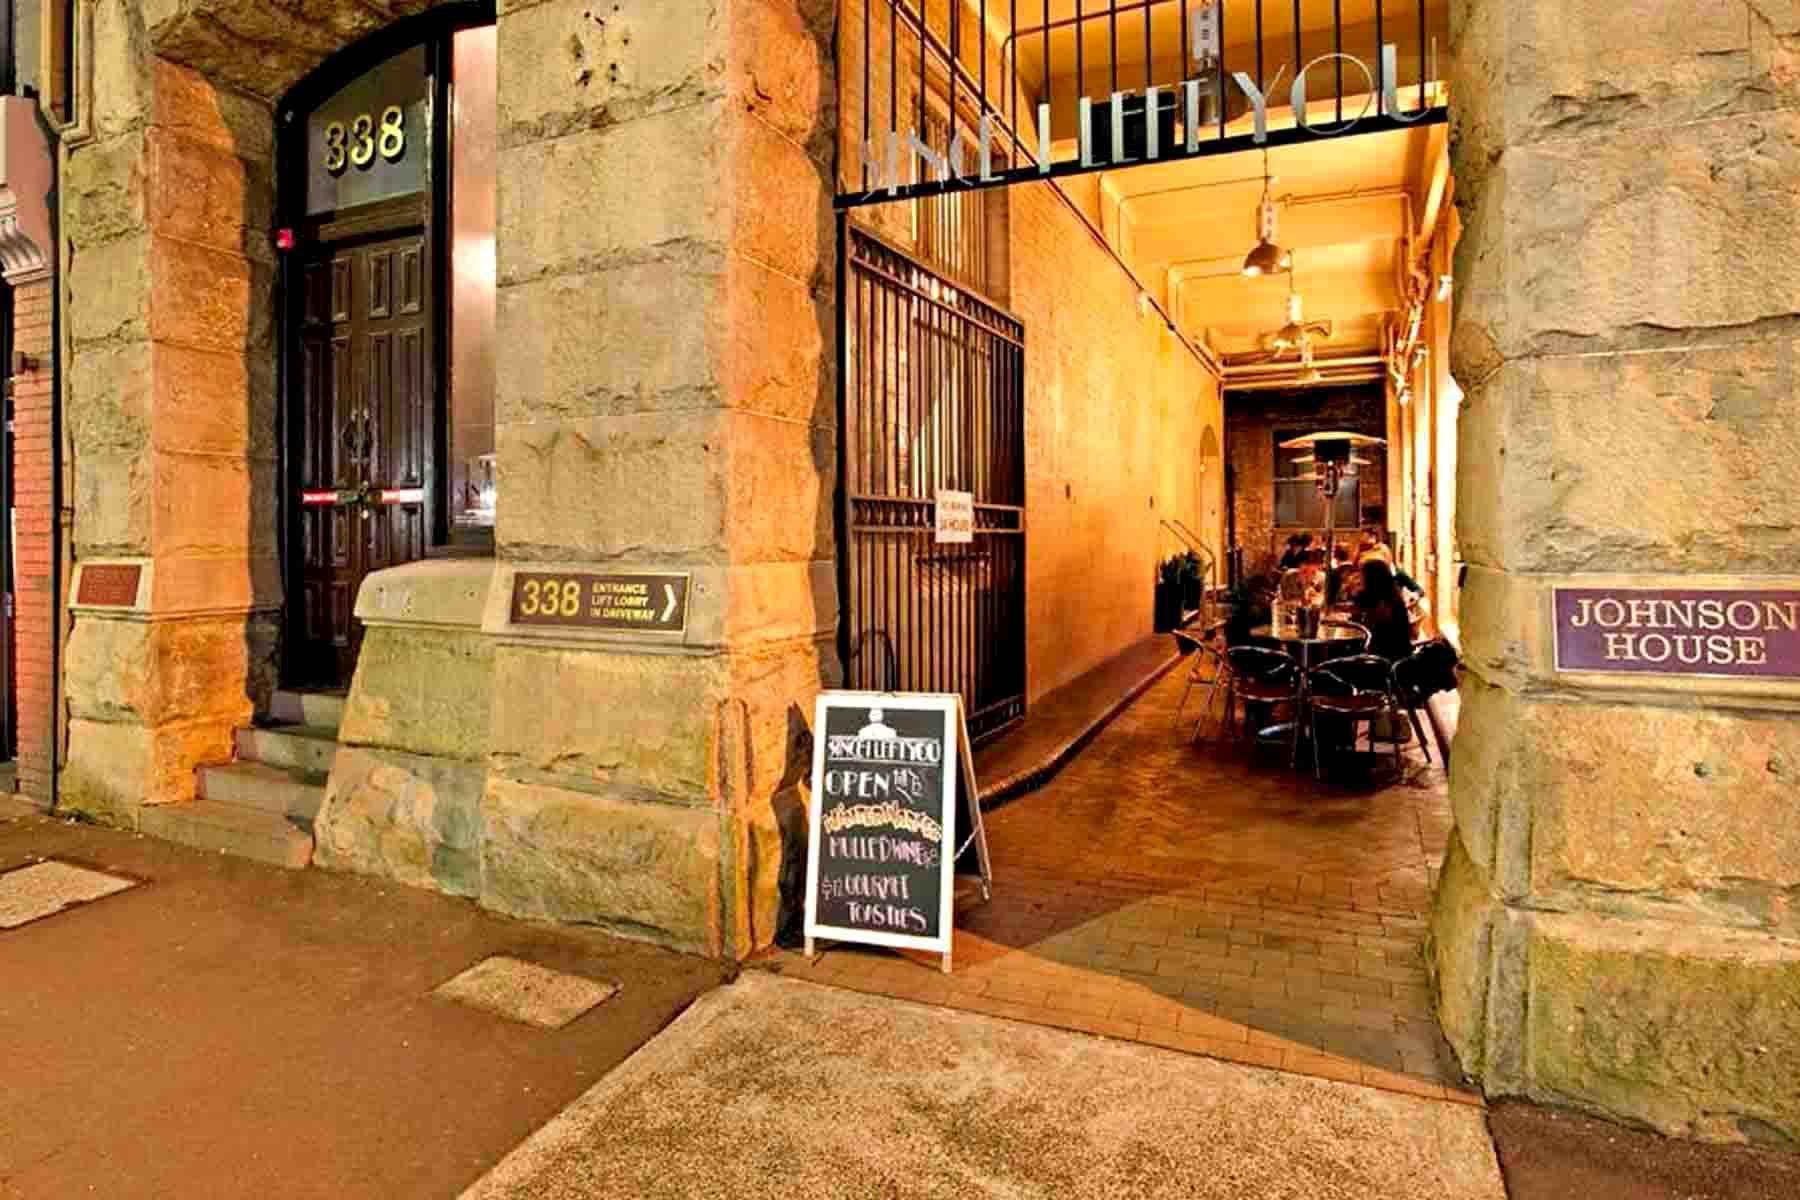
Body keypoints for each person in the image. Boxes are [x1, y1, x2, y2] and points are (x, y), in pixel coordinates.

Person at [1353, 559, 1414, 660]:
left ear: (1371, 578)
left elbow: (1377, 634)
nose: (1360, 579)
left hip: (1385, 657)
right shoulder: (1391, 595)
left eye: (1362, 576)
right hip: (1398, 654)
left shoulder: (1380, 601)